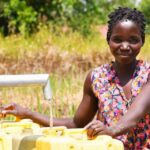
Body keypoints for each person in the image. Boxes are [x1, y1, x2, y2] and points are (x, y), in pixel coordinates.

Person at [0, 7, 150, 149]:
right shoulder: (96, 78)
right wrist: (28, 113)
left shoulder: (147, 74)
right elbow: (76, 123)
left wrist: (111, 130)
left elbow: (135, 114)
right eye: (117, 39)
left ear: (142, 41)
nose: (125, 46)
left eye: (133, 40)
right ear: (108, 40)